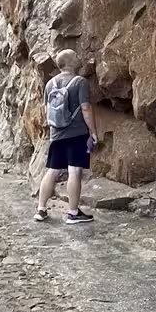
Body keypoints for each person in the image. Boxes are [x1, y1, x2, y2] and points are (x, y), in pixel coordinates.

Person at [35, 49, 99, 224]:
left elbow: (47, 111)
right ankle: (72, 212)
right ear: (70, 62)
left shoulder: (50, 84)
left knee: (52, 171)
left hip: (56, 134)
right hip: (76, 133)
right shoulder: (80, 82)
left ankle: (41, 209)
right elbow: (86, 109)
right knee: (74, 171)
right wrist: (93, 132)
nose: (79, 57)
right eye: (76, 56)